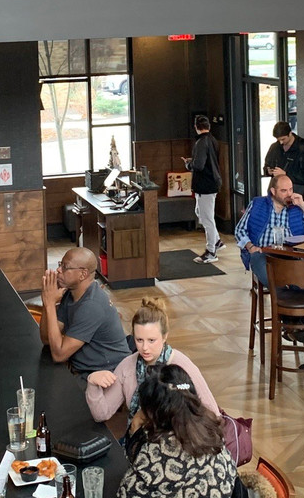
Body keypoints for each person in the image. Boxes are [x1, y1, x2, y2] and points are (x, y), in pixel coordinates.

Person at [85, 299, 218, 437]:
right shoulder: (127, 366)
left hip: (178, 441)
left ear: (165, 336)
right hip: (138, 439)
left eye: (151, 340)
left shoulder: (182, 366)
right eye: (139, 340)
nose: (145, 348)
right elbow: (102, 414)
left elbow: (213, 414)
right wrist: (92, 382)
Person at [116, 365, 241, 498]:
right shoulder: (210, 428)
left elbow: (125, 493)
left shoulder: (158, 452)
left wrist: (134, 431)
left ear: (152, 413)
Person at [40, 247, 130, 375]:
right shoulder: (70, 293)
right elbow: (46, 339)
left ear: (83, 274)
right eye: (60, 264)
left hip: (108, 374)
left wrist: (50, 304)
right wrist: (47, 302)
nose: (59, 270)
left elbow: (59, 355)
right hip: (85, 370)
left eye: (65, 267)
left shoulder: (91, 306)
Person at [234, 175, 304, 289]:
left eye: (291, 189)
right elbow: (239, 230)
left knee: (301, 284)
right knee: (272, 280)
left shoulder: (297, 206)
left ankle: (288, 296)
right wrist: (250, 247)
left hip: (292, 254)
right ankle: (282, 295)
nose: (289, 194)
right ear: (273, 191)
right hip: (263, 252)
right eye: (284, 191)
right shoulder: (257, 203)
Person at [183, 115, 223, 264]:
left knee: (207, 219)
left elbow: (199, 165)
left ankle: (211, 251)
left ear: (196, 127)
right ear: (208, 126)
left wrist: (188, 164)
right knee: (200, 213)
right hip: (212, 181)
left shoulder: (201, 142)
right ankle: (217, 241)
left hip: (205, 184)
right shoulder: (213, 140)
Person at [262, 121, 304, 194]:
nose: (281, 142)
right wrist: (268, 171)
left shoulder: (303, 150)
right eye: (278, 139)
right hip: (275, 189)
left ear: (290, 133)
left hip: (294, 190)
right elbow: (267, 164)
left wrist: (286, 174)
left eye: (283, 139)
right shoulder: (274, 147)